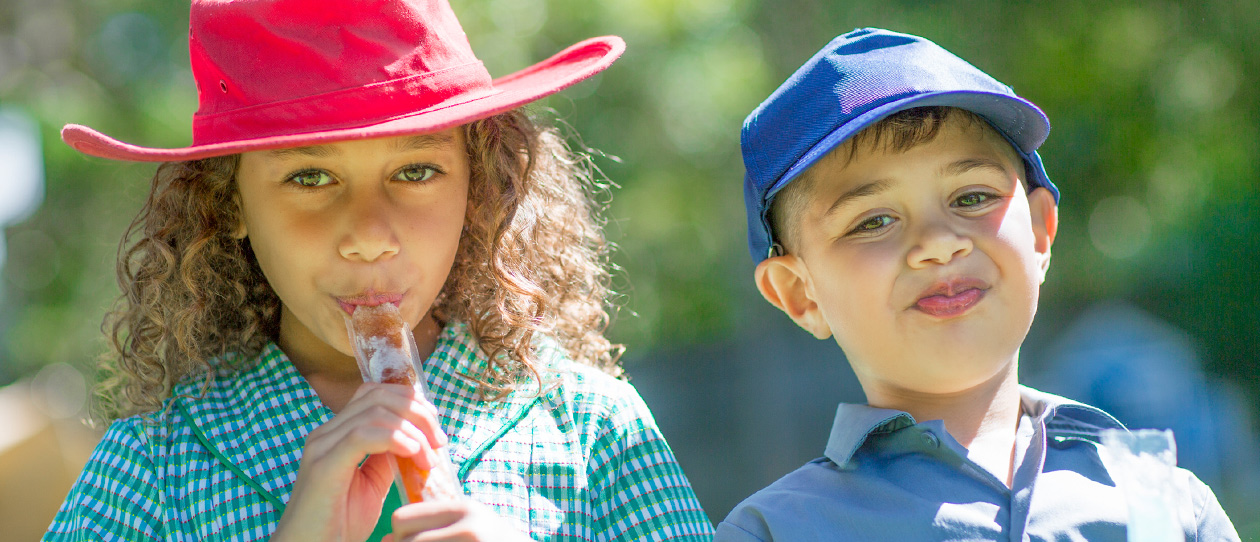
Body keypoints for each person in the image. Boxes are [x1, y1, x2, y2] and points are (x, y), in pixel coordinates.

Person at [43, 1, 714, 541]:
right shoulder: (158, 462)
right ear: (229, 201)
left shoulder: (589, 425)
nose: (368, 236)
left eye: (416, 170)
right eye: (310, 177)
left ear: (476, 187)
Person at [715, 28, 1239, 541]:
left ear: (1039, 232)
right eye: (873, 221)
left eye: (972, 197)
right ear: (800, 293)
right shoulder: (778, 530)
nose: (941, 244)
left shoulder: (1163, 504)